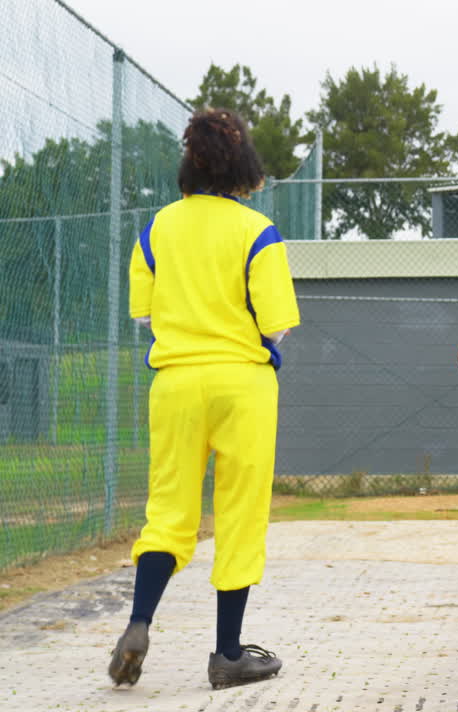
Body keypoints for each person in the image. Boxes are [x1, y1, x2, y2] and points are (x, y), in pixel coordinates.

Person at [109, 108, 297, 690]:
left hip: (175, 385)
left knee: (168, 512)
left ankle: (139, 623)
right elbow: (277, 326)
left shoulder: (155, 229)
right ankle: (227, 655)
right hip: (244, 384)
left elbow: (144, 315)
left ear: (188, 164)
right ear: (242, 167)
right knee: (239, 511)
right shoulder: (257, 232)